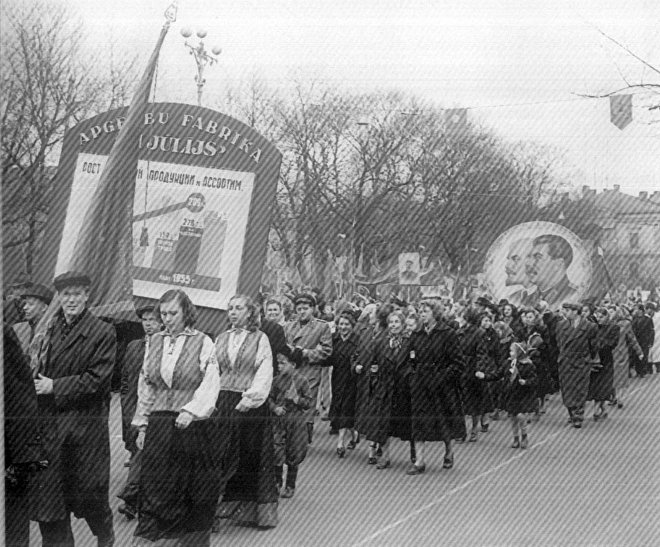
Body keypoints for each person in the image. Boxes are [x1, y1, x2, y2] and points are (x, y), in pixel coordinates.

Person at [31, 272, 116, 546]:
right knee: (51, 499)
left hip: (85, 429)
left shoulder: (103, 331)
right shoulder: (46, 330)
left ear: (87, 295)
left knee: (89, 495)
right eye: (66, 294)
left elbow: (98, 380)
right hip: (51, 427)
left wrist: (54, 386)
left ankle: (105, 533)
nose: (71, 300)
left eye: (77, 294)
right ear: (59, 297)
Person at [132, 290, 220, 545]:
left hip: (190, 423)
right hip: (159, 422)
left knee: (189, 482)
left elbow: (211, 380)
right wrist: (142, 425)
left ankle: (187, 540)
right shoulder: (154, 341)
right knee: (157, 481)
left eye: (173, 313)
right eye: (164, 314)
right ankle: (161, 537)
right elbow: (146, 384)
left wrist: (191, 410)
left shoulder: (203, 341)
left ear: (186, 313)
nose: (167, 319)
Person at [215, 294, 279, 528]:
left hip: (249, 404)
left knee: (248, 454)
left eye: (239, 308)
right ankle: (216, 507)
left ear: (250, 312)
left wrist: (250, 399)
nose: (233, 312)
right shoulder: (221, 337)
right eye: (230, 308)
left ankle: (248, 511)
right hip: (223, 401)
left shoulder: (260, 338)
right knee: (221, 453)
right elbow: (212, 370)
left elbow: (264, 371)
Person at [406, 300, 465, 475]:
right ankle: (419, 461)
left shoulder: (448, 334)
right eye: (420, 311)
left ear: (435, 313)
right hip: (420, 385)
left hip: (442, 386)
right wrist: (412, 376)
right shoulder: (416, 334)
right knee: (418, 421)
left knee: (443, 420)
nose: (422, 314)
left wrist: (441, 378)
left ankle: (449, 451)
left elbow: (458, 363)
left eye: (425, 311)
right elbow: (409, 359)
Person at [116, 304, 162, 521]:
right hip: (133, 405)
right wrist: (126, 406)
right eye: (145, 320)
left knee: (142, 451)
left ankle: (131, 498)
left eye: (153, 320)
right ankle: (137, 498)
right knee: (137, 449)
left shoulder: (166, 346)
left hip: (157, 406)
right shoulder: (134, 346)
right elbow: (125, 379)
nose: (148, 324)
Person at [4, 317, 46, 547]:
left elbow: (20, 392)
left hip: (8, 447)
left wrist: (23, 456)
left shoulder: (3, 334)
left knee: (13, 514)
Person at [356, 310, 409, 469]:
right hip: (384, 386)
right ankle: (385, 456)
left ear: (403, 324)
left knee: (408, 422)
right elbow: (374, 363)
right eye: (391, 322)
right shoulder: (380, 342)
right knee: (383, 422)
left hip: (402, 387)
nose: (393, 325)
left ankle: (415, 454)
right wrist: (375, 380)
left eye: (397, 322)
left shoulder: (409, 342)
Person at [284, 293, 333, 444]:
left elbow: (327, 351)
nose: (302, 312)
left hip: (309, 372)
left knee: (306, 406)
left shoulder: (321, 327)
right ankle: (289, 437)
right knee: (289, 404)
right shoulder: (288, 326)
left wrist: (305, 353)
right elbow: (283, 347)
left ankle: (304, 439)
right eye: (299, 309)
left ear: (312, 309)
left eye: (305, 308)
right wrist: (291, 353)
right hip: (291, 371)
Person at [269, 353, 313, 498]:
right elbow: (269, 398)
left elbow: (309, 403)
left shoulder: (302, 381)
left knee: (294, 452)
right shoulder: (276, 380)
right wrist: (275, 408)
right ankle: (277, 482)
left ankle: (290, 485)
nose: (279, 366)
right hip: (279, 421)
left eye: (283, 363)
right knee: (277, 451)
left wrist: (296, 399)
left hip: (296, 421)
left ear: (293, 365)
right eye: (278, 363)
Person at [484, 342, 537, 449]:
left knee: (520, 415)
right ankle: (516, 437)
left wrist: (526, 382)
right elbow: (498, 374)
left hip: (523, 394)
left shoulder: (528, 365)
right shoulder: (508, 363)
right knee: (513, 416)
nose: (510, 353)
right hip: (511, 394)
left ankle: (524, 435)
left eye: (512, 351)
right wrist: (485, 376)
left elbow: (534, 379)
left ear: (519, 352)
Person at [555, 302, 598, 429]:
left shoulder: (590, 326)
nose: (565, 313)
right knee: (567, 388)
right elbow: (559, 343)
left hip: (581, 361)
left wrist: (587, 358)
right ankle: (571, 411)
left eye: (567, 310)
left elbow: (594, 345)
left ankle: (578, 415)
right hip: (566, 361)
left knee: (580, 388)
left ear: (575, 312)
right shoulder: (560, 325)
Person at [459, 309, 495, 443]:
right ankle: (461, 431)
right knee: (461, 402)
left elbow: (482, 353)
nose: (461, 320)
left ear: (468, 319)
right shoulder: (459, 332)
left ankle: (474, 429)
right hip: (461, 368)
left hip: (473, 369)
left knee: (474, 402)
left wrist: (480, 370)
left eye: (463, 318)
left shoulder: (479, 333)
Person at [327, 311, 360, 457]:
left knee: (346, 408)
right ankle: (354, 435)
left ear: (352, 326)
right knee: (339, 407)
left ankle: (340, 443)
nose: (343, 327)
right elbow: (328, 357)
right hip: (337, 377)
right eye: (341, 324)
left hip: (352, 379)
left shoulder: (357, 340)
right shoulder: (334, 339)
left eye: (346, 324)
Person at [524, 234, 579, 309]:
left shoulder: (573, 296)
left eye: (538, 257)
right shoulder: (527, 299)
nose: (528, 263)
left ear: (559, 264)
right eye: (529, 257)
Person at [587, 307, 620, 421]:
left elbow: (612, 343)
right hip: (594, 361)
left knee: (603, 385)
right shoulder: (594, 327)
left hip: (606, 360)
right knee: (596, 386)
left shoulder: (614, 327)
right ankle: (602, 409)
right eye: (597, 317)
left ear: (607, 317)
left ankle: (596, 410)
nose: (599, 319)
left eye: (601, 317)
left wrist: (598, 344)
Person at [607, 306, 642, 409]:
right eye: (609, 311)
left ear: (617, 312)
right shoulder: (607, 323)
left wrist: (639, 351)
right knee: (611, 377)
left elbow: (632, 338)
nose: (610, 313)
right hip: (609, 354)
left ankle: (620, 398)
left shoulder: (625, 324)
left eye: (612, 311)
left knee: (621, 377)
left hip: (621, 354)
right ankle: (614, 397)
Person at [13, 282, 54, 354]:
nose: (25, 307)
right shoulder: (23, 327)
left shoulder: (52, 330)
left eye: (30, 304)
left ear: (44, 307)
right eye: (25, 303)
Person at [631, 303, 655, 378]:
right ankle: (638, 371)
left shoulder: (648, 319)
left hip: (645, 341)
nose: (635, 311)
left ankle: (643, 371)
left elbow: (651, 331)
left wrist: (651, 341)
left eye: (636, 309)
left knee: (644, 356)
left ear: (641, 310)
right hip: (636, 341)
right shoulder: (634, 319)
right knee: (636, 356)